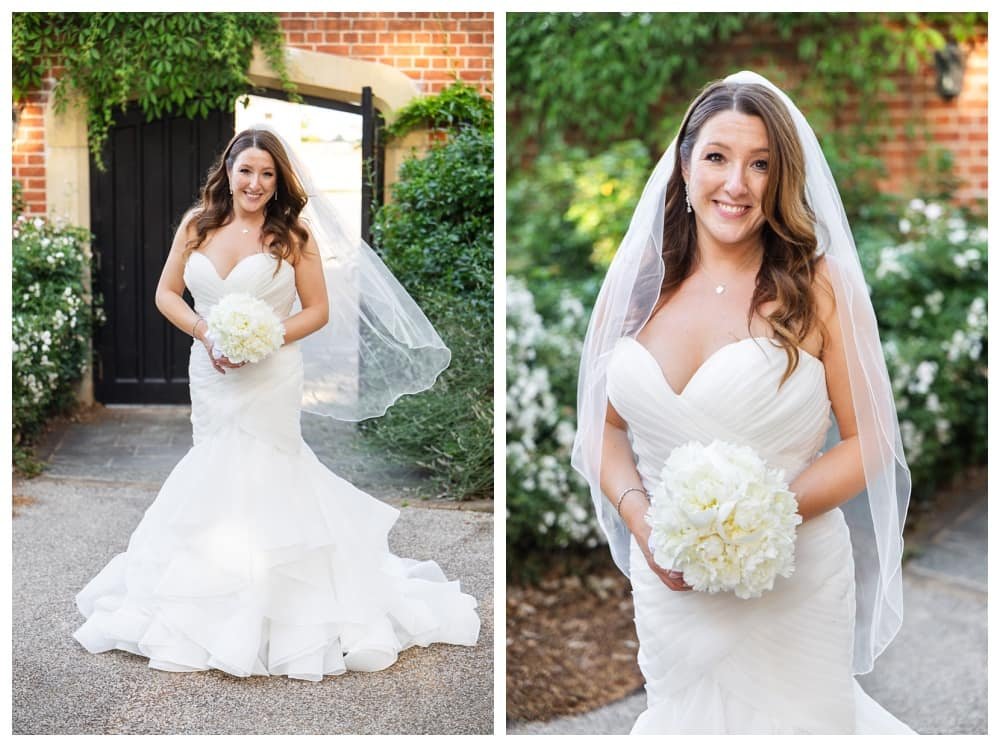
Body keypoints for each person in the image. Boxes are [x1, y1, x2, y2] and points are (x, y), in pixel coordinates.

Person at [571, 72, 914, 733]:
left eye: (761, 165)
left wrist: (764, 517)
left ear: (782, 179)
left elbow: (870, 440)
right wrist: (645, 524)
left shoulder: (820, 288)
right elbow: (603, 432)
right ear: (684, 163)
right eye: (718, 158)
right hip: (669, 588)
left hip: (794, 577)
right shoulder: (639, 288)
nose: (737, 183)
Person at [73, 126, 480, 681]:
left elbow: (317, 310)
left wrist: (260, 341)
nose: (256, 183)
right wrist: (206, 333)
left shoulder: (293, 236)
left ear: (278, 179)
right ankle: (210, 593)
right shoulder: (197, 225)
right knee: (213, 466)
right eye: (247, 171)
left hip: (271, 371)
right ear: (229, 171)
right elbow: (166, 294)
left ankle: (284, 607)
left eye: (267, 174)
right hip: (210, 369)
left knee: (268, 466)